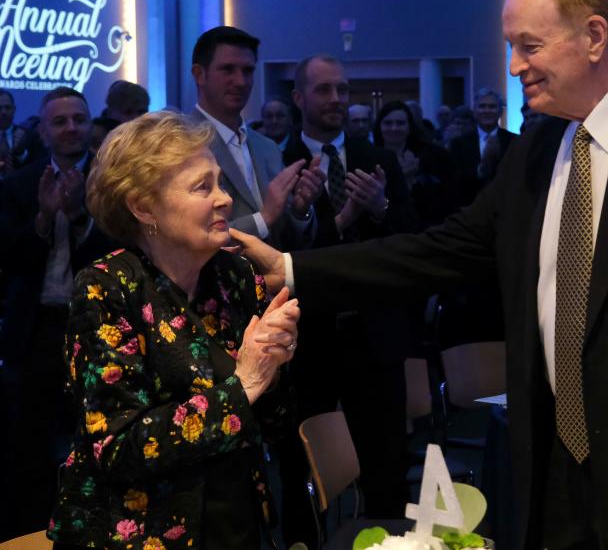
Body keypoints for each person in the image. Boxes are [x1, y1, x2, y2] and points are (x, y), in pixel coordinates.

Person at [232, 0, 608, 550]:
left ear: (595, 37)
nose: (514, 67)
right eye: (511, 46)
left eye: (529, 45)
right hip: (550, 478)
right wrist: (292, 268)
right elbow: (443, 249)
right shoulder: (540, 145)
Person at [46, 111, 300, 549]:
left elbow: (274, 420)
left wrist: (276, 364)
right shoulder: (106, 287)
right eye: (203, 187)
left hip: (237, 520)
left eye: (220, 183)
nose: (224, 200)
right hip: (140, 534)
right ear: (144, 207)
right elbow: (117, 448)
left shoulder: (233, 275)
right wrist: (247, 382)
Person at [278, 53, 417, 544]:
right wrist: (339, 220)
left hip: (374, 334)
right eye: (324, 90)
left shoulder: (375, 158)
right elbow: (280, 257)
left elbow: (409, 242)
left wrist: (378, 210)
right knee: (301, 472)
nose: (336, 99)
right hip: (308, 338)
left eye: (343, 89)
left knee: (385, 465)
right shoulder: (280, 161)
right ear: (299, 98)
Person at [0, 87, 116, 541]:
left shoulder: (111, 186)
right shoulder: (19, 185)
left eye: (79, 119)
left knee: (92, 443)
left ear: (90, 126)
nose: (71, 128)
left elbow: (120, 256)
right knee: (27, 449)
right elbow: (9, 259)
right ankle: (27, 537)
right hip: (36, 333)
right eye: (60, 121)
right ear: (44, 130)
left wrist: (81, 217)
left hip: (96, 331)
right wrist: (45, 220)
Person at [191, 26, 323, 249]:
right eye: (228, 69)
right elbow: (190, 237)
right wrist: (263, 218)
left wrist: (300, 211)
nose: (241, 81)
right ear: (199, 74)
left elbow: (286, 239)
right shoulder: (182, 144)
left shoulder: (267, 148)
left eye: (248, 71)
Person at [374, 99, 454, 228]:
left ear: (409, 127)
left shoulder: (434, 156)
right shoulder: (370, 159)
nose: (394, 128)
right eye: (388, 123)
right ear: (379, 127)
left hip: (427, 229)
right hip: (385, 232)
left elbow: (446, 198)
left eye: (400, 123)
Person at [448, 88, 517, 209]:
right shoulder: (458, 144)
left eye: (492, 107)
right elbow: (454, 179)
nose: (487, 111)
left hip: (505, 208)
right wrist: (480, 170)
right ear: (474, 111)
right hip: (470, 208)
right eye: (482, 106)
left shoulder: (514, 141)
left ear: (500, 112)